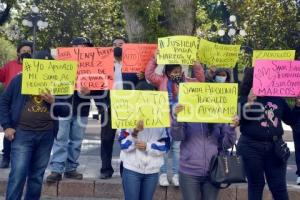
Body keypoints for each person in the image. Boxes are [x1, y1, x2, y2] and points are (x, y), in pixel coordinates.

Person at [0, 50, 68, 200]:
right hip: (22, 134)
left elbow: (65, 110)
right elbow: (3, 102)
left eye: (47, 64)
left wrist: (53, 101)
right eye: (40, 64)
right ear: (33, 66)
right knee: (18, 174)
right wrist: (7, 126)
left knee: (37, 176)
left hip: (46, 135)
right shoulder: (19, 80)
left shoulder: (58, 83)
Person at [237, 68, 300, 200]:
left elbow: (291, 120)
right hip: (251, 147)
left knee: (279, 187)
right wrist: (248, 103)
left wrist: (298, 106)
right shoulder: (243, 98)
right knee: (256, 185)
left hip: (275, 148)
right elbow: (238, 120)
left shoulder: (277, 99)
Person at [145, 54, 205, 186]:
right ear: (167, 72)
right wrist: (154, 59)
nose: (177, 74)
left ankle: (177, 174)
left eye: (179, 71)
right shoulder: (161, 81)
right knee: (164, 149)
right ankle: (163, 174)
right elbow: (149, 75)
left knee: (178, 149)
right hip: (164, 120)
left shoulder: (188, 82)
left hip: (181, 122)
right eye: (174, 72)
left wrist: (196, 64)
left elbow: (201, 80)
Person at [46, 37, 94, 182]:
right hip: (62, 107)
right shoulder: (61, 62)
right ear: (72, 48)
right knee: (60, 138)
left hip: (82, 109)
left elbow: (100, 88)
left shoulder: (93, 66)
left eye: (86, 46)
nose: (82, 48)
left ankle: (71, 168)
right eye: (79, 45)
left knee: (77, 140)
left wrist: (90, 91)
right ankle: (56, 169)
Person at [98, 37, 144, 179]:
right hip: (109, 106)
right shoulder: (103, 64)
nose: (117, 46)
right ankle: (106, 169)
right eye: (114, 44)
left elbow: (143, 85)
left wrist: (142, 76)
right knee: (106, 139)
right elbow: (96, 85)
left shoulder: (135, 65)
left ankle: (126, 169)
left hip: (128, 107)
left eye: (120, 44)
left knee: (128, 138)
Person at [119, 81, 170, 200]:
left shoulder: (161, 119)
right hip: (132, 169)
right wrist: (135, 132)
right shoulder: (126, 117)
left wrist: (148, 146)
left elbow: (166, 146)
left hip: (152, 171)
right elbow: (124, 146)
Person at [0, 40, 33, 168]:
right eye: (24, 51)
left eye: (29, 51)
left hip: (28, 103)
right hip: (11, 102)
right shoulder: (10, 65)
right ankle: (6, 157)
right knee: (9, 130)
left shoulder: (36, 65)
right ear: (18, 52)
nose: (26, 53)